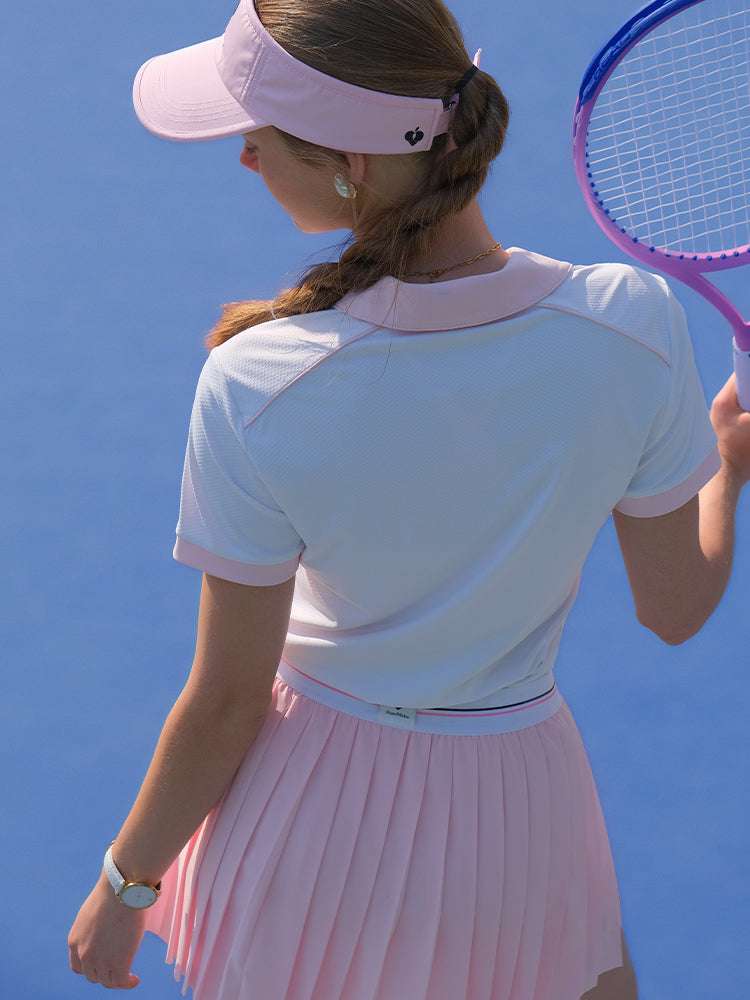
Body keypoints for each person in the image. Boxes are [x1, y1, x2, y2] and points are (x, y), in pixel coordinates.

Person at [120, 1, 749, 997]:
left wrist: (124, 888)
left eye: (257, 136)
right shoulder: (636, 325)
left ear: (351, 164)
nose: (243, 157)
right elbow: (678, 607)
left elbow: (228, 700)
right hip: (524, 820)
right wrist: (731, 471)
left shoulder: (256, 381)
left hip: (307, 830)